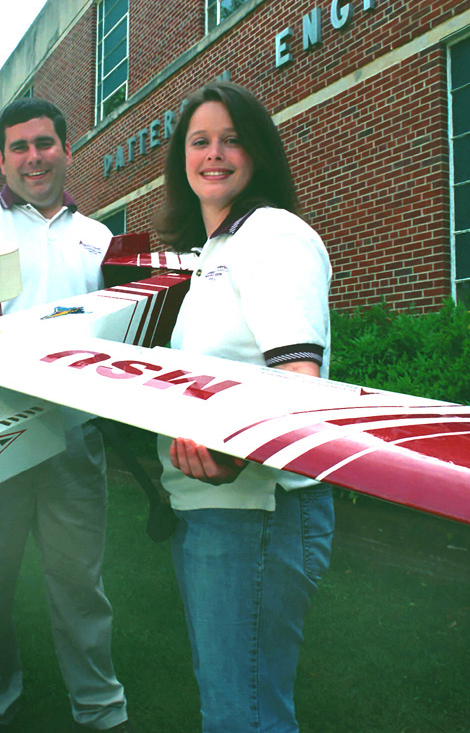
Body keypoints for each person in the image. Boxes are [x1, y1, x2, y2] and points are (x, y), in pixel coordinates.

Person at [0, 98, 134, 733]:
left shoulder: (98, 240)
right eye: (19, 147)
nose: (33, 157)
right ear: (2, 157)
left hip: (71, 438)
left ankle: (99, 707)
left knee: (79, 587)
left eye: (44, 143)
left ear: (66, 149)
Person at [153, 81, 335, 733]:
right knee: (231, 705)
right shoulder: (210, 255)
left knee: (243, 717)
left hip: (257, 513)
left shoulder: (272, 234)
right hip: (208, 511)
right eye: (200, 141)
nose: (215, 153)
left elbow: (298, 378)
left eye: (232, 139)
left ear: (259, 153)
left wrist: (236, 456)